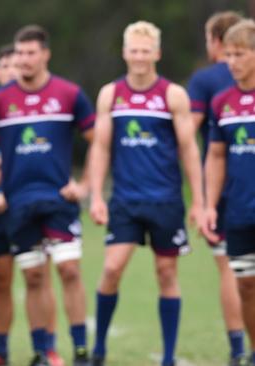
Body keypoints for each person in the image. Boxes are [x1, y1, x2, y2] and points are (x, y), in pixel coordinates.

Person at [0, 25, 95, 366]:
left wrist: (85, 184)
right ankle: (43, 351)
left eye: (31, 53)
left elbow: (98, 140)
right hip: (17, 204)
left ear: (45, 54)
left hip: (60, 200)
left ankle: (81, 352)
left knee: (69, 270)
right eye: (20, 53)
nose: (24, 59)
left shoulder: (69, 93)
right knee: (33, 276)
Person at [88, 21, 204, 366]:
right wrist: (96, 195)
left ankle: (168, 357)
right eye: (134, 50)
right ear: (125, 53)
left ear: (157, 53)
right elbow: (101, 149)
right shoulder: (111, 94)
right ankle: (99, 350)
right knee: (111, 269)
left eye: (145, 50)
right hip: (125, 201)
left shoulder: (173, 95)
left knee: (167, 273)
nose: (139, 57)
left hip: (166, 201)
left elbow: (189, 150)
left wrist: (198, 200)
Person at [0, 44, 65, 366]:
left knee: (38, 277)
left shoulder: (34, 110)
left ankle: (47, 347)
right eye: (5, 66)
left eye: (17, 65)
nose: (12, 71)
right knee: (1, 280)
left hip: (27, 206)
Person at [187, 11, 248, 365]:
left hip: (228, 193)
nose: (232, 62)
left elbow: (187, 134)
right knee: (241, 275)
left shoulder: (204, 80)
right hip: (234, 192)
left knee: (231, 270)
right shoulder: (223, 94)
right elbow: (214, 150)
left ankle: (238, 346)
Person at [202, 18, 255, 366]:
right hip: (239, 210)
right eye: (228, 54)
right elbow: (216, 155)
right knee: (246, 286)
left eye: (239, 54)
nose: (231, 61)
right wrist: (208, 204)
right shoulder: (222, 102)